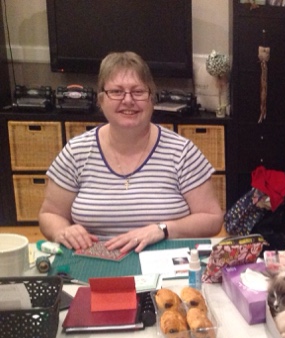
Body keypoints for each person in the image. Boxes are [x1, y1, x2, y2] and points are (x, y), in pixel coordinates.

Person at [39, 51, 224, 253]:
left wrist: (162, 229)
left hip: (164, 262)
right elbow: (50, 215)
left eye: (138, 92)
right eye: (116, 92)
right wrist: (63, 231)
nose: (128, 100)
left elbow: (212, 219)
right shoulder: (76, 152)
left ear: (152, 99)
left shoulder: (182, 152)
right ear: (101, 100)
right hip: (94, 259)